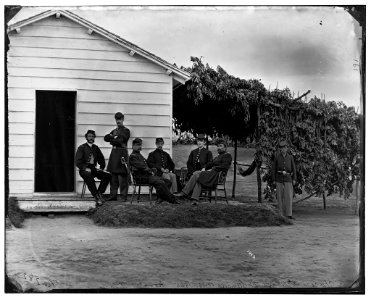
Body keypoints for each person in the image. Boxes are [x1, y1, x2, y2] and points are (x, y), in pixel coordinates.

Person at [175, 139, 232, 204]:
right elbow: (211, 163)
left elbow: (224, 166)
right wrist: (205, 167)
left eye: (220, 146)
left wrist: (213, 169)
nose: (218, 147)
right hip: (211, 174)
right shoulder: (219, 156)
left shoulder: (227, 155)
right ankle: (195, 199)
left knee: (197, 174)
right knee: (199, 180)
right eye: (218, 146)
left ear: (225, 147)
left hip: (216, 176)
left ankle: (184, 192)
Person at [129, 138, 180, 204]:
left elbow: (146, 165)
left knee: (167, 182)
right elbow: (142, 166)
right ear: (133, 146)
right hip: (140, 177)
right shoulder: (133, 156)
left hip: (146, 176)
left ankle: (161, 198)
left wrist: (151, 170)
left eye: (140, 145)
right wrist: (151, 171)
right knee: (160, 182)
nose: (139, 147)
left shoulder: (138, 155)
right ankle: (172, 199)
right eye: (137, 145)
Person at [75, 130, 111, 207]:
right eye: (89, 136)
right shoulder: (82, 147)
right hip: (84, 169)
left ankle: (99, 193)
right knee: (89, 176)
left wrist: (101, 167)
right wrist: (84, 168)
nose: (91, 138)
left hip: (93, 168)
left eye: (92, 136)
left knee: (107, 175)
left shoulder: (96, 148)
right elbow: (77, 161)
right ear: (86, 137)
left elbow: (101, 158)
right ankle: (96, 196)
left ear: (94, 137)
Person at [104, 112, 130, 201]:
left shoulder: (126, 130)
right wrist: (113, 136)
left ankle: (123, 197)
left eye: (120, 119)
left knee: (122, 177)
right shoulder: (115, 130)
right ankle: (113, 196)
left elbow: (120, 140)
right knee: (113, 176)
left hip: (121, 154)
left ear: (123, 119)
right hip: (114, 155)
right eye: (117, 119)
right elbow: (105, 138)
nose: (118, 121)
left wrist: (113, 139)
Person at [271, 140, 297, 219]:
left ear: (287, 148)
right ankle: (281, 214)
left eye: (285, 147)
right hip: (279, 179)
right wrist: (274, 179)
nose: (283, 149)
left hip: (288, 178)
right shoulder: (277, 157)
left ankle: (289, 214)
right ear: (280, 149)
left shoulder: (290, 157)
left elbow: (294, 169)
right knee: (279, 196)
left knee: (288, 196)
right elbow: (274, 169)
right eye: (281, 148)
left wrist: (294, 178)